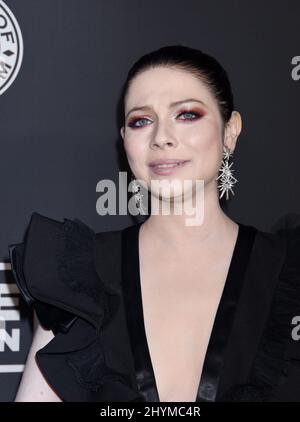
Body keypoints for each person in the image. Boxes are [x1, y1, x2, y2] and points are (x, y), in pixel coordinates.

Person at [9, 45, 300, 402]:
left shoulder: (288, 272)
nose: (161, 136)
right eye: (141, 121)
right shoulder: (75, 278)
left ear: (230, 131)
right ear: (125, 140)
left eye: (187, 114)